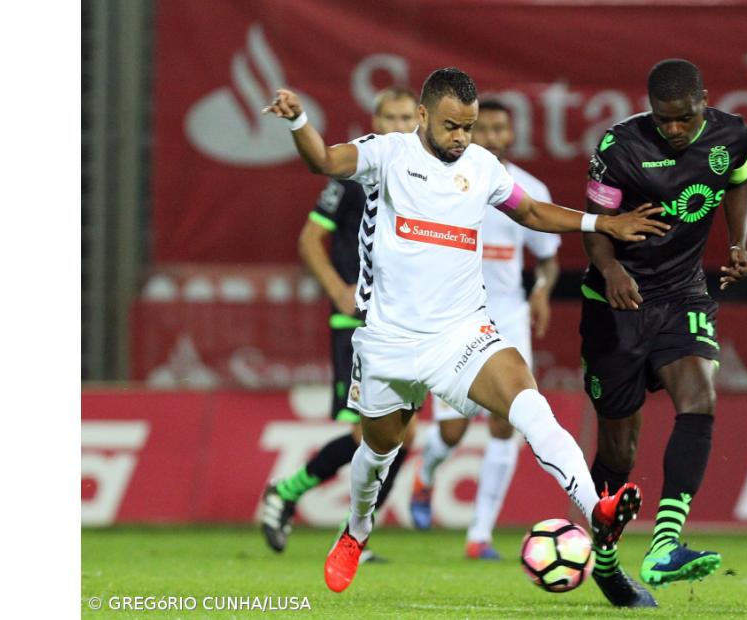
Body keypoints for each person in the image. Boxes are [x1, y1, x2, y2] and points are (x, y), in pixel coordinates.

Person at [262, 67, 669, 595]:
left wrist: (600, 223)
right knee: (377, 451)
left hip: (461, 333)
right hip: (389, 340)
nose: (461, 138)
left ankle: (597, 507)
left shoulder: (480, 167)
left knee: (527, 400)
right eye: (452, 126)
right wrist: (299, 122)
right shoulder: (385, 155)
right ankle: (355, 532)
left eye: (469, 128)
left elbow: (532, 211)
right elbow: (323, 160)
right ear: (425, 116)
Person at [580, 58, 747, 606]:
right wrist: (611, 270)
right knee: (619, 451)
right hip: (618, 302)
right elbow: (594, 225)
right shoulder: (619, 147)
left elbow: (740, 181)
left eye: (684, 118)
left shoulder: (732, 136)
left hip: (683, 295)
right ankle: (606, 561)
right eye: (664, 119)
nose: (674, 129)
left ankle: (664, 544)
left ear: (704, 100)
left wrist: (737, 243)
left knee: (699, 399)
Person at [260, 87, 420, 560]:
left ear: (420, 119)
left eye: (406, 116)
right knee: (365, 434)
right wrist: (337, 289)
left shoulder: (421, 177)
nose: (397, 125)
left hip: (403, 320)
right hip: (357, 319)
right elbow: (311, 238)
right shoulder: (355, 172)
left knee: (402, 438)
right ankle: (294, 496)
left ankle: (325, 515)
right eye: (388, 116)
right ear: (375, 119)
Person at [409, 100, 561, 561]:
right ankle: (426, 473)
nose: (493, 136)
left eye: (501, 128)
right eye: (485, 128)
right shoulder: (446, 181)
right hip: (457, 318)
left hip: (510, 317)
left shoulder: (528, 189)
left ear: (511, 135)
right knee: (452, 431)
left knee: (506, 423)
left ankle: (480, 534)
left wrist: (541, 291)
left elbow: (548, 257)